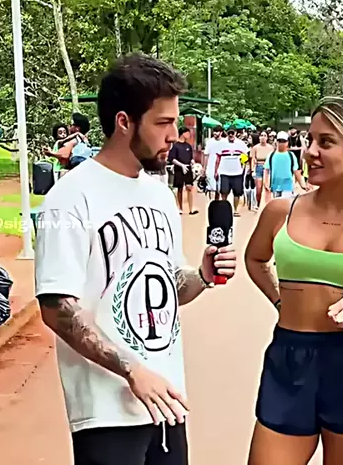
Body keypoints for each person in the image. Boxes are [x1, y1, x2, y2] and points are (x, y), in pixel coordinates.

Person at [35, 53, 237, 465]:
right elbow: (56, 307)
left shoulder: (159, 195)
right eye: (163, 123)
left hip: (166, 401)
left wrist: (202, 275)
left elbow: (169, 286)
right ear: (124, 122)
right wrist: (132, 370)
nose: (174, 135)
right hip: (106, 413)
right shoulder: (69, 198)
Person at [245, 96, 343, 465]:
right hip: (288, 360)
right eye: (310, 140)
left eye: (326, 142)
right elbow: (255, 259)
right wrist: (280, 301)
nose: (310, 152)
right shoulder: (280, 211)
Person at [214, 128, 248, 217]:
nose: (231, 135)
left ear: (235, 133)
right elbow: (218, 158)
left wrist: (243, 164)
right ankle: (224, 209)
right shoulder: (221, 143)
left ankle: (235, 210)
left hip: (237, 172)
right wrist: (216, 171)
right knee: (224, 192)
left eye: (232, 133)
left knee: (237, 193)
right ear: (227, 134)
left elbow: (245, 156)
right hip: (224, 172)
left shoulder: (241, 144)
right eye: (229, 133)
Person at [264, 131, 305, 200]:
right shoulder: (271, 155)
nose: (281, 143)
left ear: (287, 142)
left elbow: (296, 172)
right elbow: (266, 170)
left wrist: (302, 185)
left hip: (287, 187)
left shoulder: (291, 155)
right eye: (279, 141)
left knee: (286, 204)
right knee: (277, 205)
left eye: (283, 141)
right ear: (276, 142)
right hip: (275, 187)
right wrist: (265, 183)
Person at [169, 127, 198, 215]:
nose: (189, 135)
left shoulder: (188, 146)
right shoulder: (175, 146)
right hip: (179, 169)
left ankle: (191, 209)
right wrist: (181, 165)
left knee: (189, 187)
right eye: (187, 133)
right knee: (180, 188)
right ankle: (180, 208)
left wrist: (192, 161)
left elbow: (190, 157)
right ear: (183, 133)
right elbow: (172, 158)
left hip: (188, 168)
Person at [250, 130, 274, 208]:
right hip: (259, 167)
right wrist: (252, 170)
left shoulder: (271, 148)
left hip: (268, 168)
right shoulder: (255, 147)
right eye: (261, 135)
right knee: (259, 189)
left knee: (267, 188)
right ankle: (258, 203)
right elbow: (253, 159)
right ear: (259, 137)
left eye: (265, 135)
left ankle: (267, 205)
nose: (263, 137)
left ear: (267, 137)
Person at [203, 125, 225, 200]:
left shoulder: (225, 142)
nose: (215, 133)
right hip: (210, 167)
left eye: (217, 131)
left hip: (222, 167)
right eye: (214, 131)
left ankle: (219, 202)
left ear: (221, 132)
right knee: (213, 188)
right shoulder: (210, 142)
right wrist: (204, 168)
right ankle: (214, 202)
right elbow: (206, 155)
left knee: (220, 188)